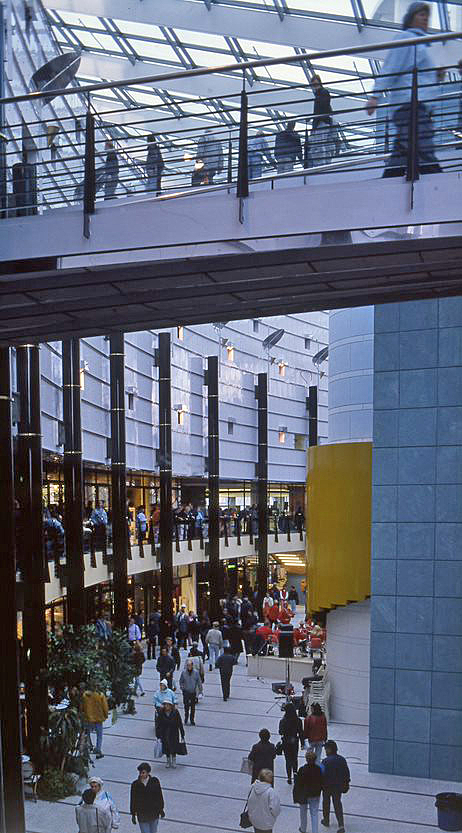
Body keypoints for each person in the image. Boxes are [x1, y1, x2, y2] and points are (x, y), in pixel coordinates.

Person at [366, 2, 442, 177]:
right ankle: (441, 181)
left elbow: (418, 75)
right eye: (421, 14)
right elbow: (391, 67)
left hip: (415, 105)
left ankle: (387, 182)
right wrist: (375, 96)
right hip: (410, 104)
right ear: (411, 18)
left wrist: (436, 76)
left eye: (427, 15)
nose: (425, 18)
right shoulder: (407, 39)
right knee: (422, 147)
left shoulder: (422, 44)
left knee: (404, 148)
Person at [321, 740, 350, 833]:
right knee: (337, 804)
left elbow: (321, 774)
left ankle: (326, 820)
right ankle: (341, 825)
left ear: (329, 750)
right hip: (338, 786)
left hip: (327, 786)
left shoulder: (325, 761)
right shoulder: (342, 760)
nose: (325, 751)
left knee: (326, 803)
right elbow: (346, 773)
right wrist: (346, 783)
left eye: (326, 749)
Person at [293, 749, 323, 833]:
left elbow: (298, 783)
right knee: (314, 813)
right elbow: (321, 781)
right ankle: (315, 831)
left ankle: (303, 828)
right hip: (315, 794)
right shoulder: (318, 769)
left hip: (304, 795)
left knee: (303, 812)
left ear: (306, 759)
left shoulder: (302, 769)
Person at [130, 762, 165, 833]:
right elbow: (133, 799)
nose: (141, 774)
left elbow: (159, 796)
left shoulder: (155, 781)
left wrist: (161, 809)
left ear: (148, 773)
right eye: (140, 773)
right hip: (142, 814)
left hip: (153, 813)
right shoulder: (135, 784)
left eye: (143, 773)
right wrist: (133, 813)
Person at [310, 75, 334, 166]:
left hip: (322, 121)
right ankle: (325, 163)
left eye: (315, 84)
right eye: (313, 84)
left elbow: (323, 107)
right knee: (321, 144)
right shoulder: (319, 93)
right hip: (322, 121)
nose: (314, 86)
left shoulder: (322, 93)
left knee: (319, 144)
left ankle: (322, 164)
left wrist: (317, 119)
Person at [247, 769, 281, 833]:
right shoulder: (271, 792)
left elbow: (249, 802)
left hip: (254, 820)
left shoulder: (252, 787)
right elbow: (275, 809)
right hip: (266, 823)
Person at [279, 702, 304, 784]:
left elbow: (280, 732)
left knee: (288, 760)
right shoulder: (298, 720)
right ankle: (295, 774)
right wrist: (302, 743)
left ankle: (289, 777)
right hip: (294, 741)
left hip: (286, 741)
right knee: (295, 759)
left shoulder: (283, 721)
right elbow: (301, 732)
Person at [156, 701, 185, 769]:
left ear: (171, 706)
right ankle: (168, 760)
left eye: (168, 705)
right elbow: (158, 723)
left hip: (174, 732)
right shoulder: (161, 712)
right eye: (165, 705)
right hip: (164, 732)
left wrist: (182, 733)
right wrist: (158, 734)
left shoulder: (175, 712)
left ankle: (174, 760)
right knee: (166, 747)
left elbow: (179, 722)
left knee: (174, 746)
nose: (166, 706)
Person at [82, 684, 108, 759]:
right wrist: (105, 715)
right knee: (99, 735)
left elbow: (82, 707)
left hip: (88, 718)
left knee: (87, 734)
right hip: (98, 718)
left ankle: (88, 747)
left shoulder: (85, 695)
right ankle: (98, 750)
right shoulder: (100, 695)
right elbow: (105, 707)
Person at [179, 658, 201, 725]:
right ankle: (186, 718)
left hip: (193, 692)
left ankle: (192, 719)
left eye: (190, 665)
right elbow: (181, 681)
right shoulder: (183, 672)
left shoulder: (196, 672)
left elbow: (199, 682)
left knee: (193, 707)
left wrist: (200, 691)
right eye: (188, 665)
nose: (189, 666)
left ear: (192, 665)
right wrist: (182, 688)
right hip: (186, 691)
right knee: (186, 706)